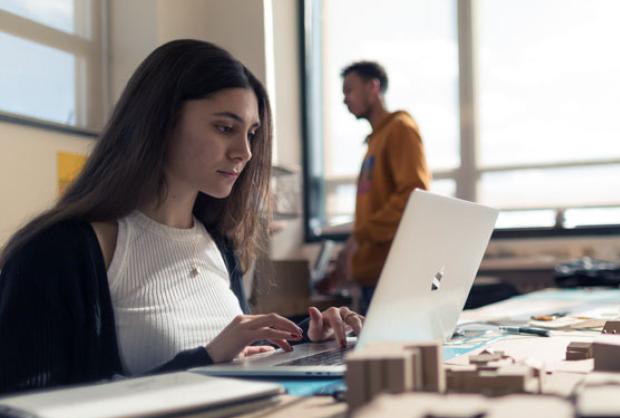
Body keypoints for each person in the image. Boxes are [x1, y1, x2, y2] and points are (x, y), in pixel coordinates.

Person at [0, 39, 363, 395]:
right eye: (225, 128)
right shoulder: (56, 251)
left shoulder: (219, 243)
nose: (245, 152)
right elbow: (27, 412)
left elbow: (229, 350)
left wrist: (309, 337)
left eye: (251, 134)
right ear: (160, 120)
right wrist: (207, 358)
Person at [321, 61, 431, 313]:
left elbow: (413, 195)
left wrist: (360, 237)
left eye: (349, 90)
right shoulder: (375, 141)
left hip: (393, 273)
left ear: (373, 87)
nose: (344, 100)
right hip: (373, 275)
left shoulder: (400, 129)